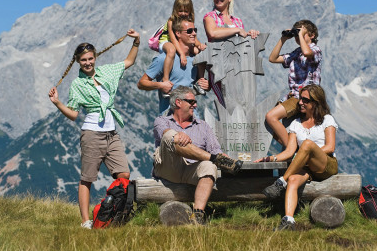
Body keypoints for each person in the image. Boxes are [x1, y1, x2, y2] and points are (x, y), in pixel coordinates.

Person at [48, 30, 140, 229]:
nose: (88, 62)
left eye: (90, 58)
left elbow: (129, 62)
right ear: (78, 62)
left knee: (123, 175)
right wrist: (57, 103)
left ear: (95, 57)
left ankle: (110, 211)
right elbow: (73, 114)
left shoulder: (107, 71)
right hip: (91, 134)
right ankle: (85, 221)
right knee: (87, 178)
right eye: (83, 60)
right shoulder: (77, 84)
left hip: (112, 132)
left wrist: (137, 42)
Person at [153, 86, 243, 224]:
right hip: (168, 169)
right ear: (178, 102)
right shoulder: (162, 121)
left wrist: (228, 160)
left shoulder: (203, 126)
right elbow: (166, 135)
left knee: (208, 166)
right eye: (191, 102)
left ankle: (198, 215)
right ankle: (214, 160)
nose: (195, 105)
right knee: (170, 136)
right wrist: (177, 135)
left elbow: (216, 150)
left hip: (192, 171)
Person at [259, 84, 338, 231]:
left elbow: (330, 147)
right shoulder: (296, 124)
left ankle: (281, 181)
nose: (300, 102)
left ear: (315, 103)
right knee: (294, 180)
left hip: (326, 165)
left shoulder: (327, 119)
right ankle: (289, 220)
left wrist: (309, 152)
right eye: (301, 99)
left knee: (306, 145)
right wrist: (269, 159)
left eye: (305, 100)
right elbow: (289, 152)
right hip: (306, 166)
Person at [265, 20, 322, 147]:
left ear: (312, 35)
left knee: (271, 117)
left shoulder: (315, 49)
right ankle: (292, 148)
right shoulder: (296, 52)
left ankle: (292, 149)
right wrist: (283, 39)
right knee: (272, 126)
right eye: (296, 35)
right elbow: (273, 58)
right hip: (293, 96)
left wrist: (300, 35)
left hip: (305, 97)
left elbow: (307, 53)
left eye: (301, 33)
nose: (297, 37)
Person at [202, 0, 259, 105]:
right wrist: (237, 30)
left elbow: (242, 43)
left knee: (241, 105)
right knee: (227, 106)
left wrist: (251, 34)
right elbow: (212, 33)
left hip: (237, 70)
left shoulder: (237, 21)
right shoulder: (210, 17)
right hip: (218, 68)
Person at [138, 16, 209, 115]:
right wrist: (161, 85)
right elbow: (141, 83)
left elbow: (199, 86)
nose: (194, 33)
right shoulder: (163, 59)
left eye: (195, 30)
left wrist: (206, 85)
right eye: (189, 31)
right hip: (169, 120)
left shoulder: (196, 60)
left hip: (193, 119)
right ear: (178, 34)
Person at [154, 0, 207, 96]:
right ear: (175, 10)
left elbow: (193, 38)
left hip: (179, 43)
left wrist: (200, 46)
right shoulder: (171, 22)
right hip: (166, 41)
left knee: (199, 54)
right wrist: (182, 54)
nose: (183, 14)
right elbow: (173, 39)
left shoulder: (188, 22)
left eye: (186, 11)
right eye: (180, 11)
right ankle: (165, 80)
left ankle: (200, 80)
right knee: (171, 50)